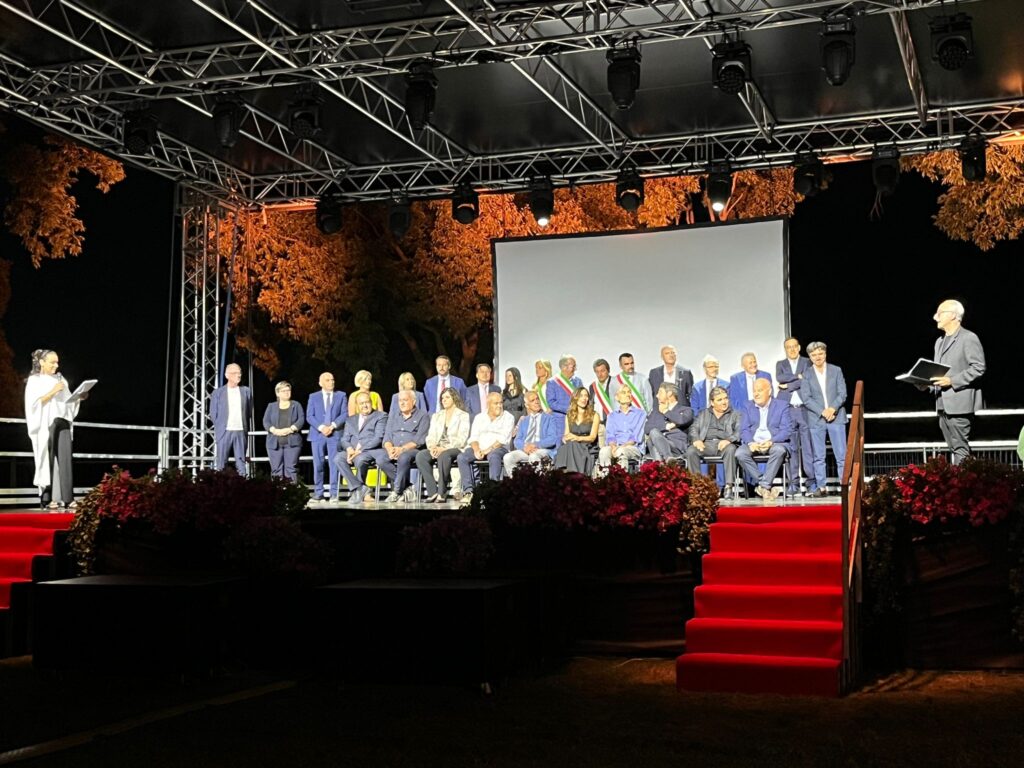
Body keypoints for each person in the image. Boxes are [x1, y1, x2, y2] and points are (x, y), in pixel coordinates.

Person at [929, 299, 985, 465]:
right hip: (942, 403)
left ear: (953, 315)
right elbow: (938, 372)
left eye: (940, 313)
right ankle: (965, 476)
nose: (935, 317)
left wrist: (952, 381)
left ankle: (963, 479)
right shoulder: (939, 342)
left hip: (960, 403)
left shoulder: (968, 338)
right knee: (954, 447)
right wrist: (926, 383)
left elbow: (978, 368)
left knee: (960, 448)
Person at [24, 349, 83, 509]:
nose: (56, 365)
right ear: (42, 362)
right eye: (52, 362)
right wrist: (52, 392)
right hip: (46, 421)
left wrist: (79, 398)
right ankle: (47, 497)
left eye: (57, 362)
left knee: (65, 459)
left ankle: (68, 498)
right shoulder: (34, 380)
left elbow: (68, 400)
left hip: (63, 419)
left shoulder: (61, 379)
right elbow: (32, 404)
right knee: (47, 457)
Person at [800, 341, 848, 497]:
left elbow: (842, 393)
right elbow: (806, 398)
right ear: (810, 357)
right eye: (814, 355)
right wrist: (823, 412)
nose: (818, 357)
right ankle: (821, 487)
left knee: (841, 455)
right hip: (816, 419)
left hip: (836, 417)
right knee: (818, 456)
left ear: (825, 353)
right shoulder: (807, 374)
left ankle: (844, 486)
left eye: (820, 353)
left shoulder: (836, 370)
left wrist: (832, 409)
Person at [736, 378, 792, 500]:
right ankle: (764, 484)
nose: (756, 394)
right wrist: (751, 442)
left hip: (774, 442)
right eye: (754, 391)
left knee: (779, 450)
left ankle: (763, 486)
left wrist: (771, 441)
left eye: (760, 390)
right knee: (740, 453)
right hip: (754, 442)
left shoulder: (782, 405)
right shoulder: (747, 406)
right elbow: (744, 429)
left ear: (769, 391)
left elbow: (786, 430)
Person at [455, 392, 515, 505]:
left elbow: (503, 439)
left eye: (501, 403)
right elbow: (473, 437)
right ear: (488, 404)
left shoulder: (508, 417)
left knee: (494, 456)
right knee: (462, 457)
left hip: (498, 448)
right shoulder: (479, 417)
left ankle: (493, 491)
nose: (499, 406)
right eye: (496, 403)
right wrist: (476, 449)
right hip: (480, 448)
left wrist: (487, 450)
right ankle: (468, 491)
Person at [415, 388, 471, 503]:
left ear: (454, 398)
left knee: (444, 455)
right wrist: (432, 447)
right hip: (438, 447)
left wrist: (444, 448)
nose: (443, 400)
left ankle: (442, 492)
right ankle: (432, 492)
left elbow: (462, 438)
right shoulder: (437, 416)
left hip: (455, 448)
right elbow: (430, 435)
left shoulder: (463, 415)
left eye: (447, 397)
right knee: (421, 456)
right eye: (442, 398)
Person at [775, 338, 816, 495]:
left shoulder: (807, 362)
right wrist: (798, 377)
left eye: (794, 346)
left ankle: (811, 482)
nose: (791, 349)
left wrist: (789, 385)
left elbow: (808, 379)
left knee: (808, 448)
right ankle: (793, 484)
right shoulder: (780, 364)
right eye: (788, 347)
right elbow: (780, 378)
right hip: (788, 411)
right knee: (791, 448)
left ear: (799, 347)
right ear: (785, 349)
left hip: (804, 410)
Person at [375, 390, 430, 503]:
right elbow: (387, 437)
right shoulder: (393, 416)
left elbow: (419, 440)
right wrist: (390, 449)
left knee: (403, 457)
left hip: (413, 450)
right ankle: (407, 486)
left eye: (405, 400)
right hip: (394, 449)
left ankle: (397, 491)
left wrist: (402, 449)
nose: (402, 403)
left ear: (413, 401)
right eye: (400, 400)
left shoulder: (423, 416)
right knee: (380, 459)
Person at [686, 386, 741, 499]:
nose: (724, 402)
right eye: (720, 400)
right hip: (706, 444)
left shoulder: (735, 414)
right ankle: (698, 486)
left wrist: (729, 440)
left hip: (724, 444)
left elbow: (739, 431)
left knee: (731, 449)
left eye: (725, 398)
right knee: (691, 451)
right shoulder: (703, 413)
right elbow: (693, 428)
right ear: (712, 402)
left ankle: (729, 487)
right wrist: (696, 439)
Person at [335, 391, 388, 505]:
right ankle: (360, 488)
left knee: (360, 459)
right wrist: (349, 449)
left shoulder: (381, 416)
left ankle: (357, 492)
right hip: (352, 450)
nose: (364, 405)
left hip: (369, 450)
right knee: (338, 458)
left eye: (367, 402)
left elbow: (378, 438)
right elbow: (344, 439)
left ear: (371, 402)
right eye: (361, 403)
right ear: (357, 405)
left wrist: (359, 451)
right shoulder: (351, 419)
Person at [306, 371, 348, 503]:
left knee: (334, 464)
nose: (331, 382)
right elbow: (309, 416)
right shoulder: (313, 397)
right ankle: (318, 493)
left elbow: (345, 414)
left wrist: (332, 426)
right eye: (328, 380)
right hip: (318, 435)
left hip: (334, 434)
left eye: (332, 379)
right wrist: (321, 427)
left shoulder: (341, 395)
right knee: (318, 464)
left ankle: (334, 493)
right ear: (320, 383)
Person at [503, 390, 561, 476]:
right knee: (508, 457)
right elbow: (517, 440)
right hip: (526, 450)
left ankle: (538, 483)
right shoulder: (524, 420)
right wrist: (525, 447)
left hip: (543, 449)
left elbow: (552, 439)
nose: (536, 402)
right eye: (532, 400)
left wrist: (535, 445)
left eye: (537, 399)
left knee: (533, 456)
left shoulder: (549, 418)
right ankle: (516, 481)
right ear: (527, 405)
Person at [210, 362, 252, 475]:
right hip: (224, 431)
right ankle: (220, 483)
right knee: (221, 463)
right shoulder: (218, 392)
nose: (238, 375)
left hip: (240, 431)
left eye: (240, 373)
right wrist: (220, 426)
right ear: (227, 375)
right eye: (235, 373)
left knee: (241, 462)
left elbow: (248, 411)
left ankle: (243, 482)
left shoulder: (246, 391)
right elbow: (213, 413)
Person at [262, 381, 304, 481]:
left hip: (292, 443)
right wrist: (274, 431)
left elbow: (301, 419)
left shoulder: (296, 405)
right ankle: (277, 490)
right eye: (283, 391)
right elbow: (266, 421)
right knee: (276, 470)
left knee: (291, 469)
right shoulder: (271, 406)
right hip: (274, 443)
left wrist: (290, 429)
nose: (287, 392)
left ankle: (292, 490)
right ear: (277, 393)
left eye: (288, 390)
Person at [554, 386, 600, 475]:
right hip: (572, 446)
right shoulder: (569, 415)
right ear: (575, 398)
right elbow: (566, 434)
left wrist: (577, 438)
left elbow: (592, 438)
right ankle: (565, 474)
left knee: (571, 445)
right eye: (581, 396)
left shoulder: (594, 415)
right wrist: (565, 438)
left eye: (586, 396)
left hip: (587, 447)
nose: (584, 398)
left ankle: (569, 474)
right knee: (564, 447)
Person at [599, 387, 647, 470]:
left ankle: (622, 476)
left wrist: (621, 447)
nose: (628, 394)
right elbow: (610, 436)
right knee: (604, 451)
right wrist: (613, 446)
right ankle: (606, 476)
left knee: (621, 451)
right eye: (624, 392)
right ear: (617, 397)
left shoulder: (640, 414)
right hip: (616, 446)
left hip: (633, 447)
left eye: (629, 392)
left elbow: (635, 437)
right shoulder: (611, 416)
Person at [645, 383, 694, 462]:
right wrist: (666, 426)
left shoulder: (686, 410)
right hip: (658, 443)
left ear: (669, 394)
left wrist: (666, 411)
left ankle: (660, 466)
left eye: (660, 392)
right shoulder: (655, 412)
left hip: (675, 446)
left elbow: (681, 420)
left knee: (654, 445)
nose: (657, 396)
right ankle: (668, 459)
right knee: (653, 433)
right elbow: (647, 428)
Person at [649, 345, 694, 410]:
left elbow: (691, 394)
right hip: (660, 411)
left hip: (680, 411)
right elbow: (651, 394)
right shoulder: (654, 373)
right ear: (662, 357)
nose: (671, 355)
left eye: (673, 353)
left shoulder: (686, 373)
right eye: (667, 353)